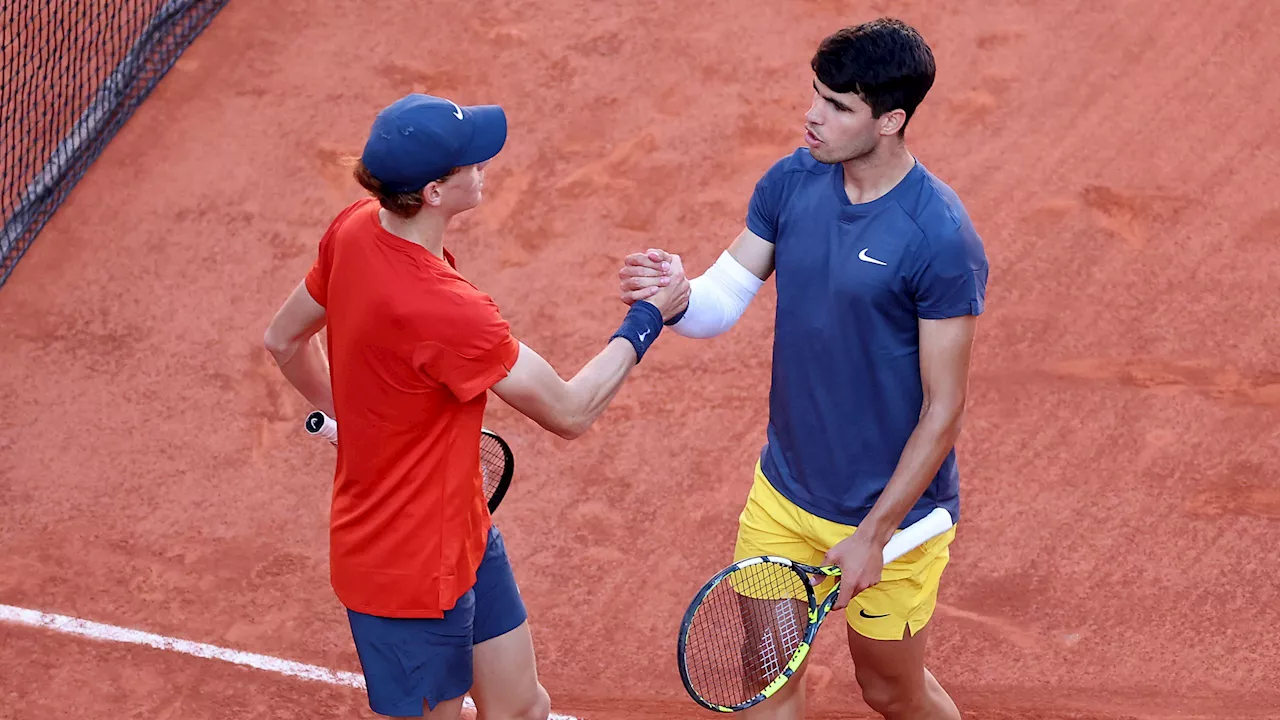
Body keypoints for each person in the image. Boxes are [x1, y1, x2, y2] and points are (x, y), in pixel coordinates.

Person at [263, 93, 689, 719]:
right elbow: (570, 411)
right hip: (404, 574)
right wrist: (649, 319)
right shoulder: (448, 309)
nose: (485, 165)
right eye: (472, 162)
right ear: (434, 192)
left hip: (462, 528)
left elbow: (283, 339)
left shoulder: (355, 228)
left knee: (521, 708)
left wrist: (352, 420)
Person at [619, 18, 987, 720]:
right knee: (770, 683)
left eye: (840, 106)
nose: (813, 117)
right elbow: (720, 301)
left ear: (891, 120)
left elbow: (945, 409)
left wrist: (873, 535)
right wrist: (677, 293)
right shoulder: (794, 179)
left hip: (896, 520)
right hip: (784, 499)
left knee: (890, 692)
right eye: (815, 95)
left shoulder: (939, 237)